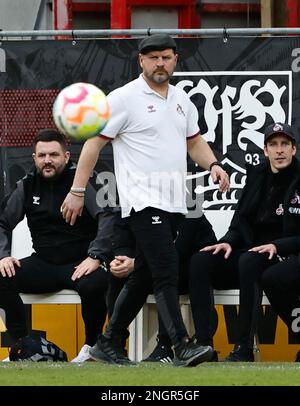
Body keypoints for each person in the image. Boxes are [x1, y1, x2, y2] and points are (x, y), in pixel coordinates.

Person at [61, 33, 229, 367]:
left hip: (173, 204)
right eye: (153, 58)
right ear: (141, 61)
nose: (160, 63)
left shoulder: (182, 100)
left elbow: (193, 141)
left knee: (146, 276)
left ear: (175, 60)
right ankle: (182, 345)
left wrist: (213, 164)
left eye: (166, 57)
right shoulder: (123, 98)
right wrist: (77, 191)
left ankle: (107, 342)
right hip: (142, 203)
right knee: (166, 270)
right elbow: (93, 145)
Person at [0, 129, 114, 362]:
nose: (47, 160)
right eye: (41, 155)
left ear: (66, 156)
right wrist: (3, 255)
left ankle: (91, 347)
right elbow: (2, 222)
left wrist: (95, 256)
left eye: (53, 154)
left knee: (96, 284)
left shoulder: (80, 182)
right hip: (43, 262)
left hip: (78, 265)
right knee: (1, 276)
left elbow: (108, 218)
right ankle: (23, 346)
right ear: (34, 158)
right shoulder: (27, 185)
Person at [190, 122, 300, 361]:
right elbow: (241, 218)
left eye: (284, 144)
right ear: (265, 150)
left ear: (294, 149)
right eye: (273, 144)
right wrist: (228, 241)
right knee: (201, 261)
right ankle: (204, 345)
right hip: (252, 251)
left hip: (286, 253)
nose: (279, 150)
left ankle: (243, 348)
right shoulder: (257, 174)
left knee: (250, 261)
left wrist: (278, 246)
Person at [108, 213, 218, 363]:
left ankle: (179, 344)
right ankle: (112, 342)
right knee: (133, 274)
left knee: (166, 272)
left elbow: (181, 243)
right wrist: (122, 257)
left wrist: (137, 263)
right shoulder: (139, 201)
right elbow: (122, 227)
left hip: (188, 262)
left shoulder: (184, 204)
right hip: (155, 260)